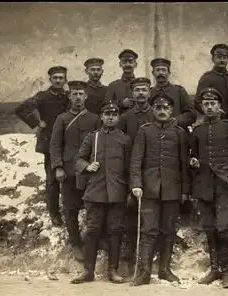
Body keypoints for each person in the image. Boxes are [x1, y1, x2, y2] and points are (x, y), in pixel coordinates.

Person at [129, 91, 190, 286]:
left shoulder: (180, 133)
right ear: (153, 110)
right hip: (149, 189)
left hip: (172, 189)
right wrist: (136, 184)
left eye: (165, 108)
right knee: (148, 230)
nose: (162, 111)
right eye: (158, 108)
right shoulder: (144, 131)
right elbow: (136, 160)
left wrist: (184, 190)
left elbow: (184, 164)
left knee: (168, 230)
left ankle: (164, 270)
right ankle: (144, 272)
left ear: (171, 110)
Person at [70, 102, 132, 284]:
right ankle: (88, 271)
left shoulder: (125, 140)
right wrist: (87, 166)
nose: (110, 117)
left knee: (115, 231)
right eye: (107, 114)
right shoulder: (92, 138)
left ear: (119, 118)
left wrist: (129, 191)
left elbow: (130, 168)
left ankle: (112, 271)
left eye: (114, 114)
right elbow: (78, 158)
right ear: (102, 117)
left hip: (117, 192)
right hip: (95, 192)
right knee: (92, 230)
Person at [190, 87, 228, 289]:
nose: (209, 107)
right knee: (210, 228)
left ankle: (227, 273)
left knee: (224, 227)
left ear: (219, 106)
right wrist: (192, 161)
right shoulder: (197, 130)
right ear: (202, 107)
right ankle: (214, 270)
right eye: (206, 104)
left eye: (213, 103)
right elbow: (192, 156)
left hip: (224, 185)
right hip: (204, 184)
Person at [50, 80, 100, 262]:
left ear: (86, 96)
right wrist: (58, 167)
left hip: (89, 171)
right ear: (69, 96)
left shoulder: (94, 119)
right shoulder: (62, 119)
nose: (77, 97)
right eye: (74, 94)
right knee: (70, 209)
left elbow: (98, 145)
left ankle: (94, 241)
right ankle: (76, 244)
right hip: (69, 171)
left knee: (93, 207)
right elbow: (55, 145)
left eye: (80, 94)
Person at [14, 66, 69, 227]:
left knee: (69, 178)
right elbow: (21, 109)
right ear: (50, 79)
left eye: (61, 78)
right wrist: (37, 123)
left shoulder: (67, 97)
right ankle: (54, 213)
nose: (58, 80)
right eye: (55, 78)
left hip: (67, 143)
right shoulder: (42, 97)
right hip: (50, 143)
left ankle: (69, 209)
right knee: (52, 180)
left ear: (65, 79)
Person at [118, 76, 154, 268]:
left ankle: (148, 259)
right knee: (130, 212)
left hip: (152, 171)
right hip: (129, 170)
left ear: (150, 92)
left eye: (144, 89)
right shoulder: (125, 118)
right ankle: (127, 258)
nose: (141, 93)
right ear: (132, 93)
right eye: (137, 89)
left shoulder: (155, 115)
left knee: (150, 214)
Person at [149, 58, 196, 130]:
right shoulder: (149, 92)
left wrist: (178, 120)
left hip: (176, 132)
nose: (161, 73)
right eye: (157, 70)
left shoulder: (179, 91)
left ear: (169, 73)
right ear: (153, 73)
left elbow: (191, 114)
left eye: (164, 70)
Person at [193, 44, 228, 119]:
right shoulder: (207, 78)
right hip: (214, 118)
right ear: (213, 59)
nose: (222, 60)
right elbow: (197, 102)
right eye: (219, 57)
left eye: (225, 57)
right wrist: (212, 111)